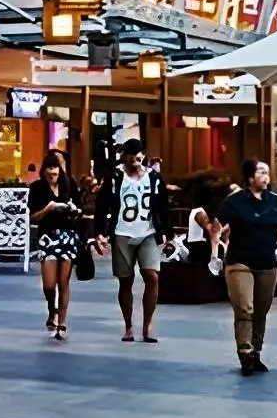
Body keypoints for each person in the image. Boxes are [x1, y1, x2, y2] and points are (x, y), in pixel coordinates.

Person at [216, 159, 277, 375]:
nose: (266, 176)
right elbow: (216, 224)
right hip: (240, 262)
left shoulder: (275, 201)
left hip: (268, 263)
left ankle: (256, 352)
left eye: (268, 172)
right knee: (245, 309)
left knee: (261, 311)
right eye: (261, 172)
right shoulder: (236, 201)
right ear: (250, 178)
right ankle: (245, 353)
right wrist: (216, 249)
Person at [95, 139, 172, 343]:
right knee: (125, 280)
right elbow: (101, 206)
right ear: (123, 157)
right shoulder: (115, 178)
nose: (134, 158)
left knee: (151, 276)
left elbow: (163, 206)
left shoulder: (154, 178)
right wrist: (99, 232)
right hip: (122, 232)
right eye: (130, 154)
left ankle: (147, 326)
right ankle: (129, 326)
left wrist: (168, 233)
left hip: (148, 232)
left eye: (138, 154)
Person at [28, 158, 82, 340]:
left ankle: (62, 322)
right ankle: (52, 309)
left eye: (56, 169)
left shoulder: (69, 184)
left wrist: (75, 210)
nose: (53, 173)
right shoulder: (36, 188)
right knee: (49, 285)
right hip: (47, 237)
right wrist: (49, 209)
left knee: (64, 282)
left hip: (67, 236)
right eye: (49, 169)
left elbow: (80, 209)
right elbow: (33, 217)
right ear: (44, 170)